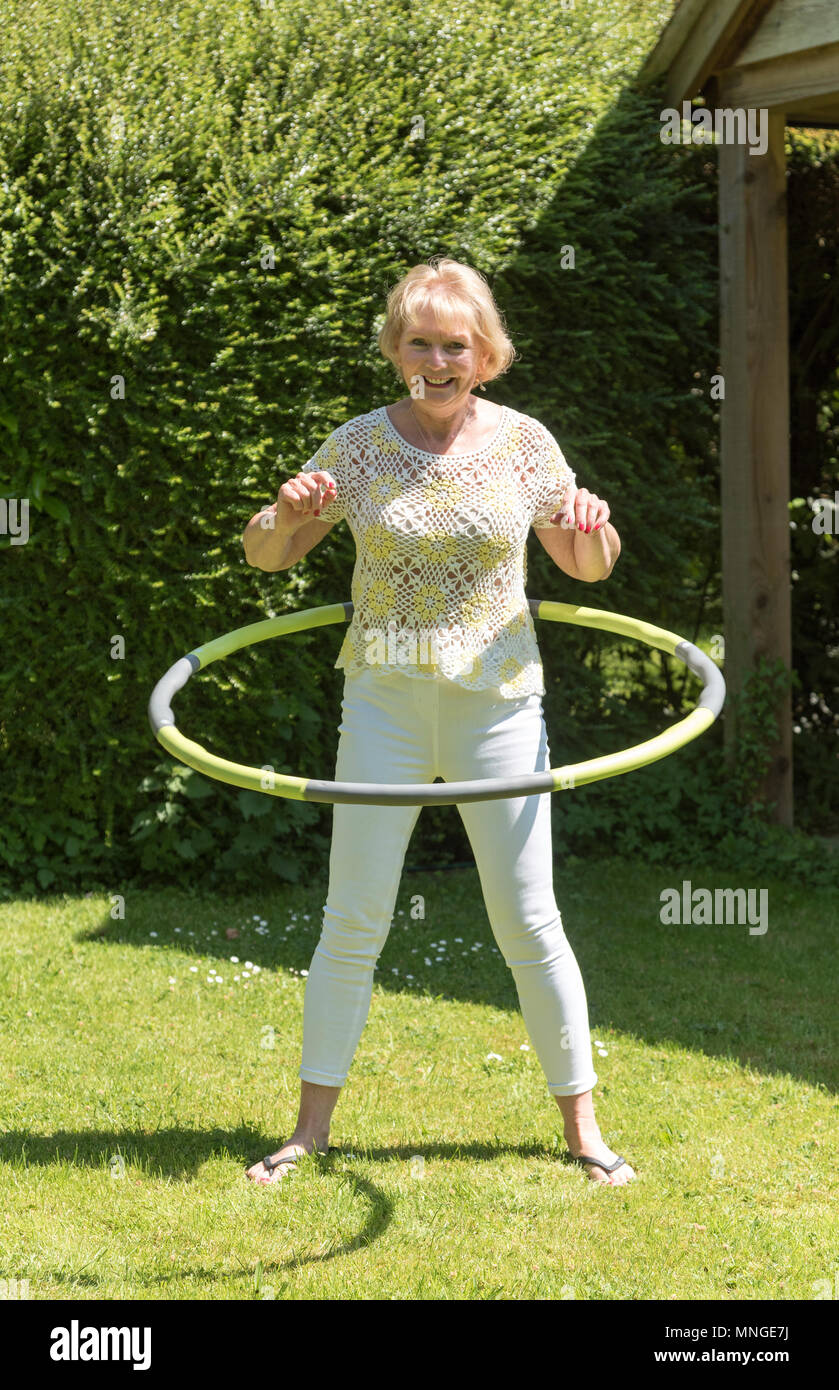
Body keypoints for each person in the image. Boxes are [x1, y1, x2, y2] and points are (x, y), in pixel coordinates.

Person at [241, 257, 635, 1187]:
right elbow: (266, 555)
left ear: (484, 354)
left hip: (497, 703)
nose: (435, 358)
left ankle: (584, 1132)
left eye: (453, 344)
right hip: (383, 699)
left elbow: (589, 567)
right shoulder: (357, 445)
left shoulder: (526, 445)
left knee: (529, 921)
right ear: (395, 350)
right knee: (352, 918)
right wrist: (282, 512)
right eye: (417, 341)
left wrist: (589, 524)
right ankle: (308, 1131)